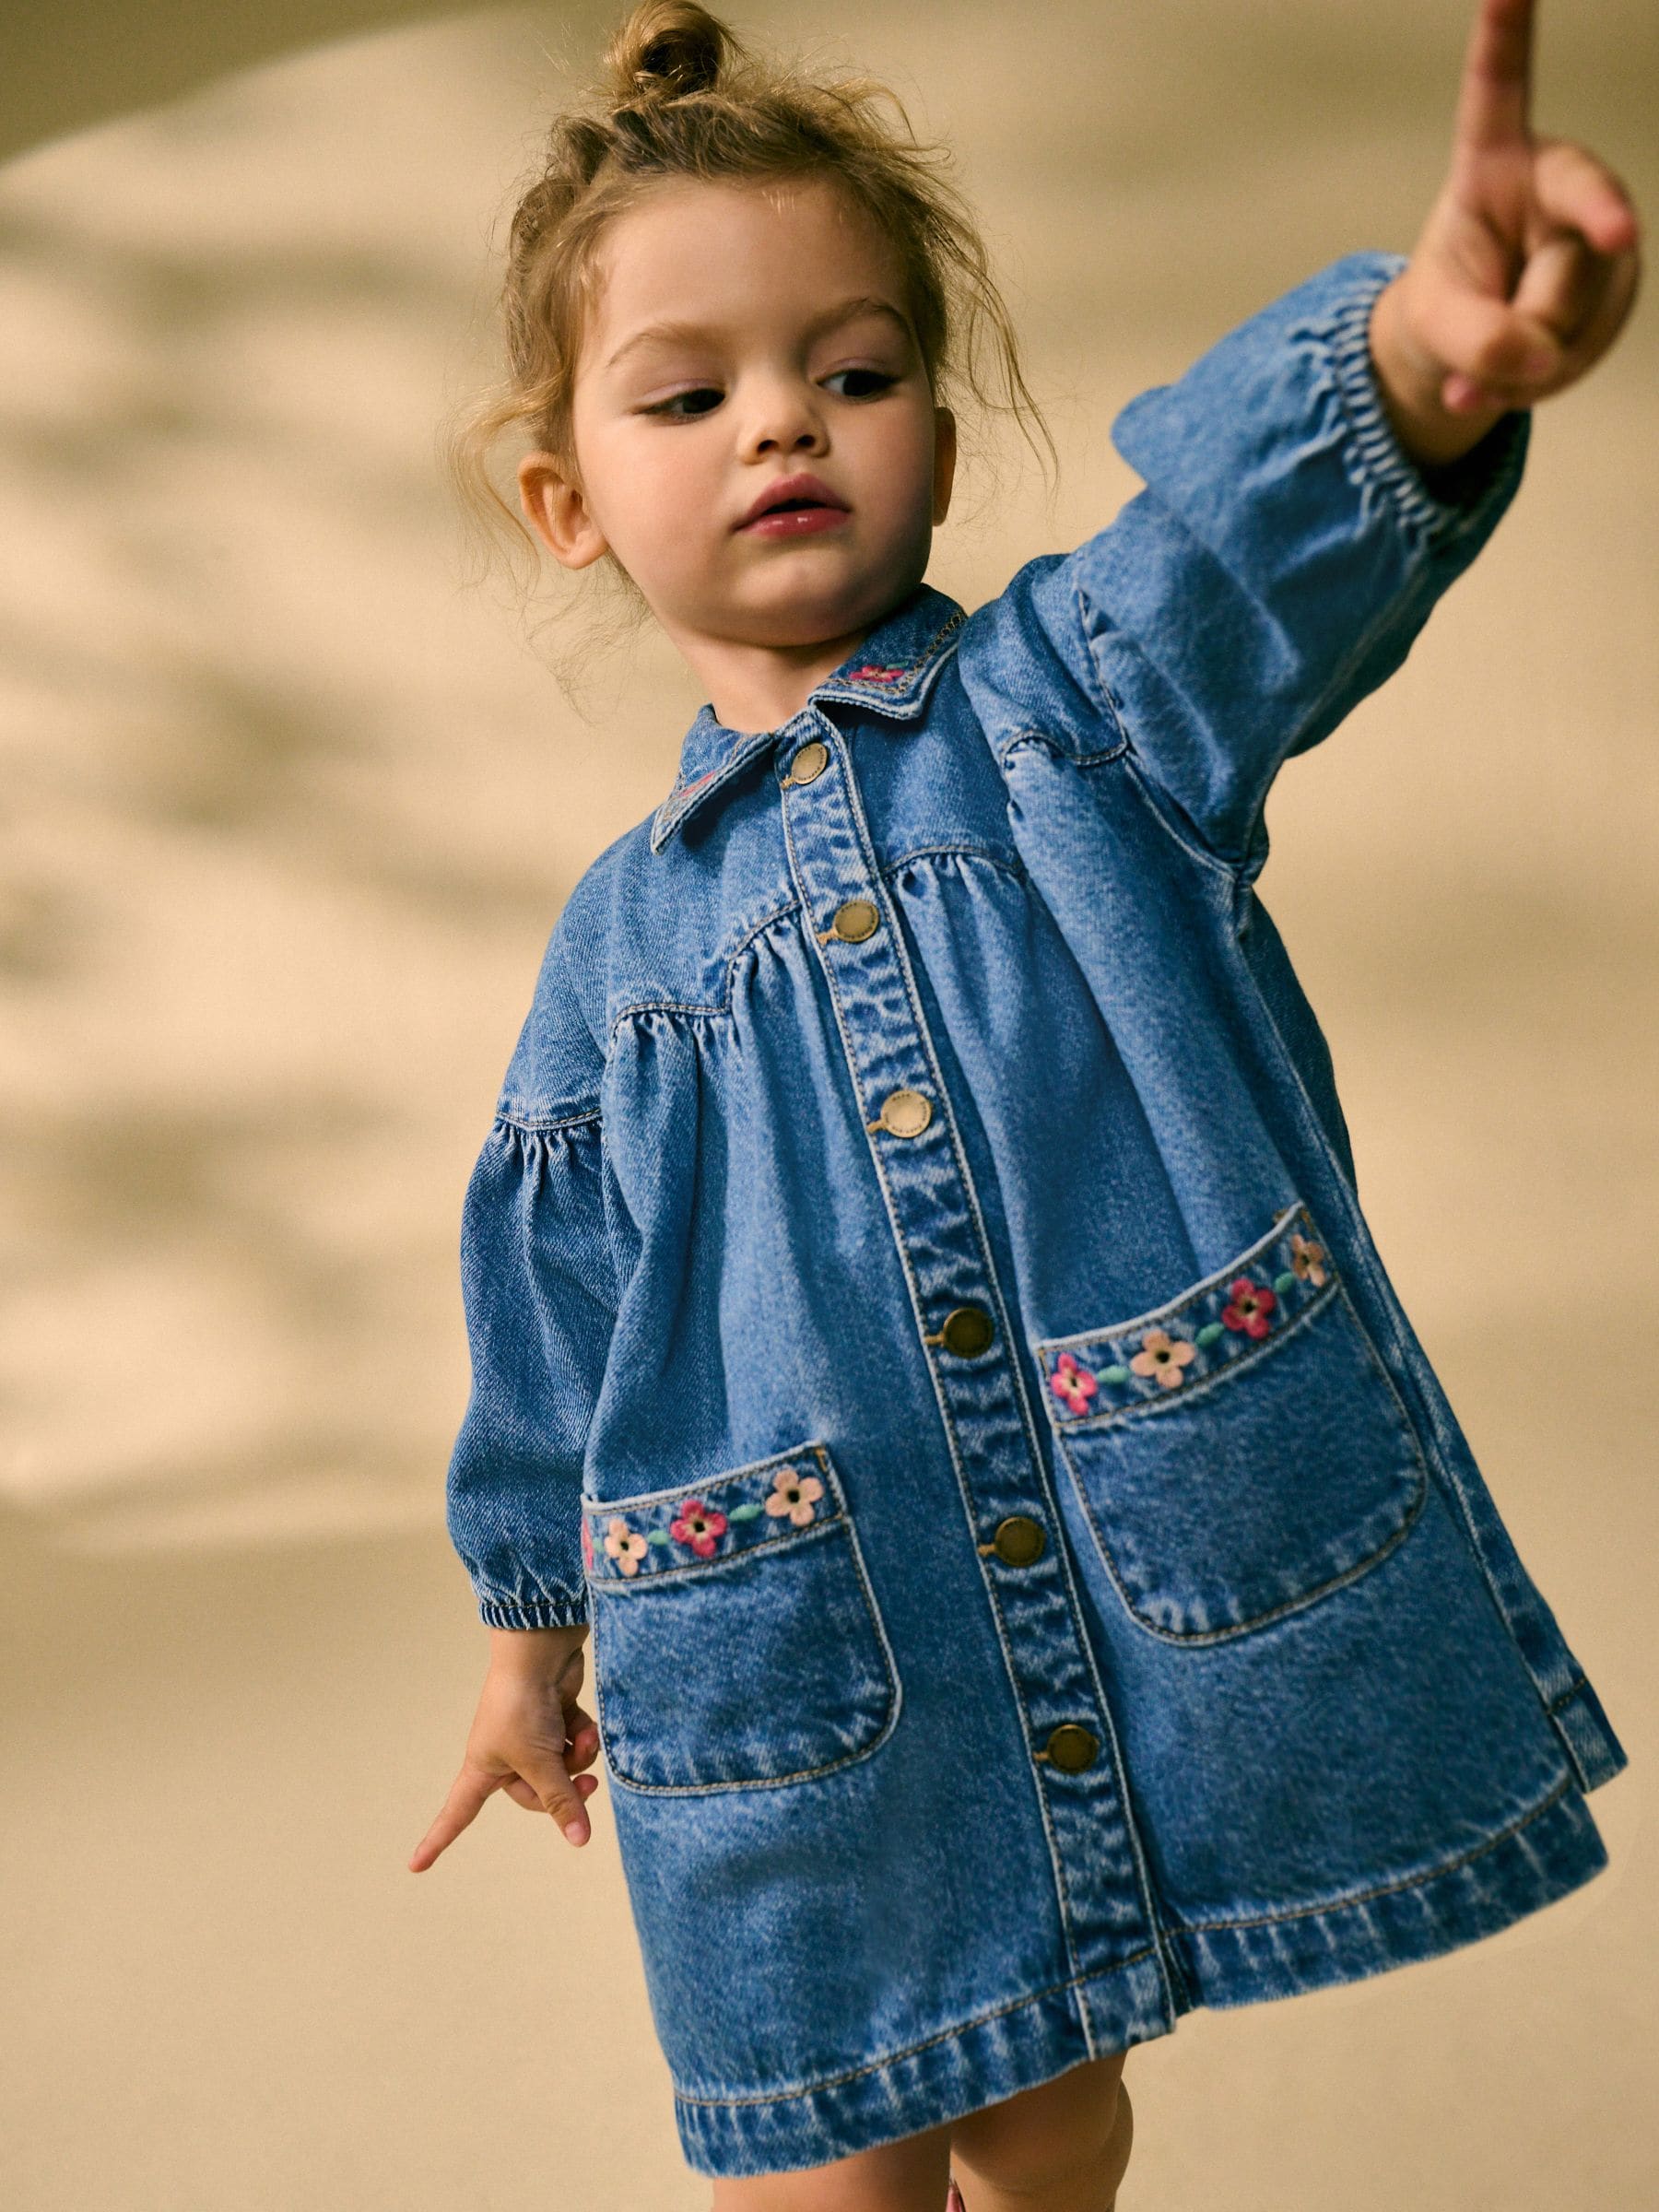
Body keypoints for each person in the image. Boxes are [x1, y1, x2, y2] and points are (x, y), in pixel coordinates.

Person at [407, 2, 1641, 2204]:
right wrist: (527, 1648)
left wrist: (1423, 370)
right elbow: (551, 1304)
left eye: (855, 371)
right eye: (692, 391)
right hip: (799, 1630)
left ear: (945, 448)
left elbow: (1251, 558)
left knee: (1055, 2099)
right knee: (830, 2141)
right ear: (567, 500)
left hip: (1113, 1546)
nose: (784, 418)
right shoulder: (616, 947)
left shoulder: (1079, 712)